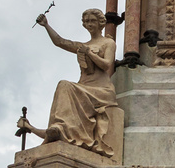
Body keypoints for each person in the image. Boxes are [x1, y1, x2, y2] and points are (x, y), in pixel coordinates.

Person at [17, 9, 119, 158]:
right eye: (87, 21)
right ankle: (58, 128)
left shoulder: (108, 43)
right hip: (83, 87)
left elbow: (107, 65)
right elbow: (60, 42)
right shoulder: (83, 44)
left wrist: (89, 52)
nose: (89, 24)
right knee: (63, 85)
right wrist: (46, 25)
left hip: (101, 91)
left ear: (101, 23)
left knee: (66, 86)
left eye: (93, 21)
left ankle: (59, 129)